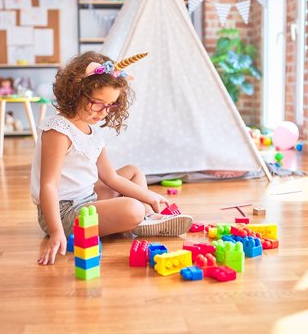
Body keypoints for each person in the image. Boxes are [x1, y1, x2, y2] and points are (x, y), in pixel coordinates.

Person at [31, 51, 193, 265]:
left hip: (87, 198)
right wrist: (55, 232)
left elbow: (110, 177)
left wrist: (149, 196)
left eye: (110, 106)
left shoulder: (92, 132)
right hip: (64, 212)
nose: (103, 112)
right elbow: (49, 186)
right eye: (97, 103)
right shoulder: (59, 130)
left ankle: (145, 216)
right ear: (75, 91)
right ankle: (140, 217)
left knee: (133, 171)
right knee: (132, 208)